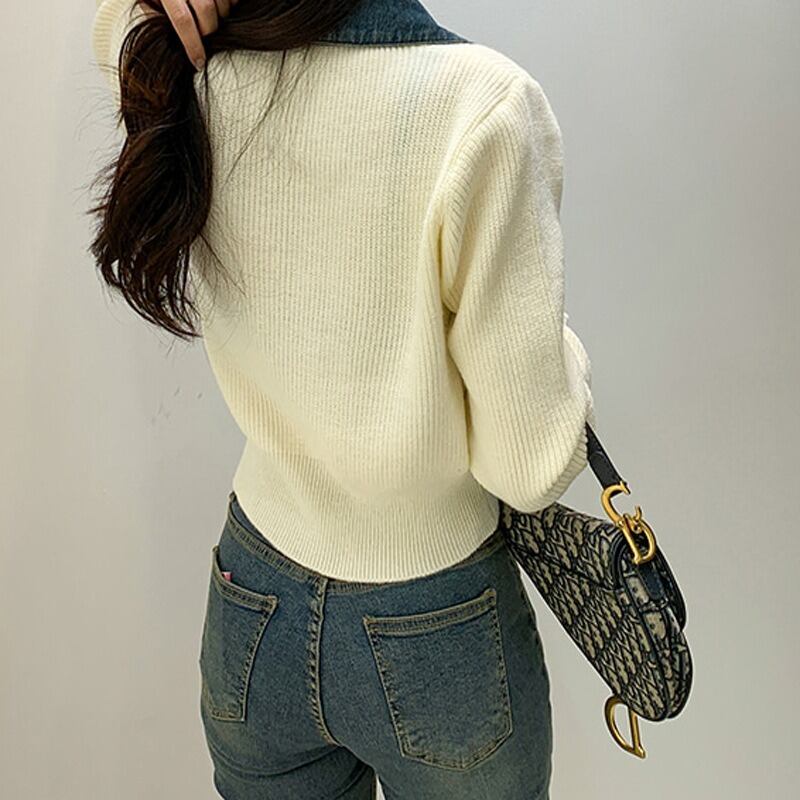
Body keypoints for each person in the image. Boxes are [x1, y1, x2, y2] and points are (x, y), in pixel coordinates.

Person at [90, 1, 596, 798]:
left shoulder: (199, 64)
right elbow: (532, 466)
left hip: (253, 598)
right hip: (438, 620)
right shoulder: (483, 105)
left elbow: (113, 26)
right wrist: (559, 348)